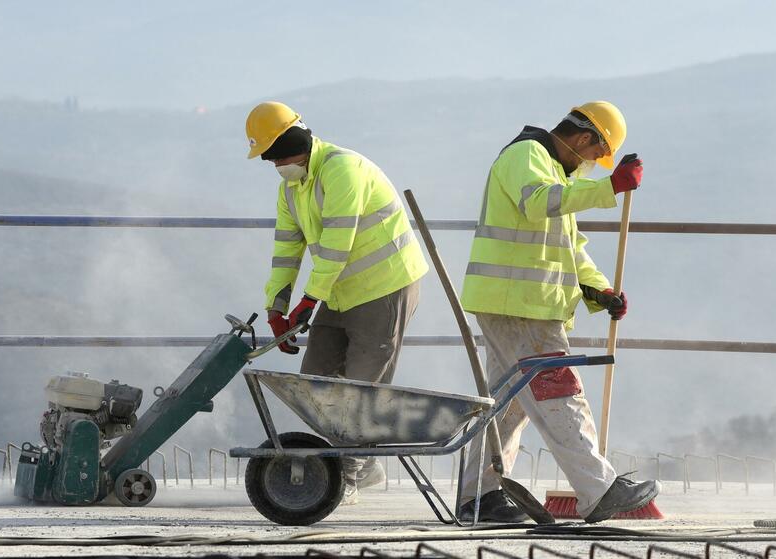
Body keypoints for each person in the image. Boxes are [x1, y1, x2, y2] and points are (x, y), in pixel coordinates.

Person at [457, 101, 659, 523]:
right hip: (521, 306)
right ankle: (598, 490)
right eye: (595, 155)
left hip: (517, 303)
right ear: (583, 139)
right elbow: (539, 203)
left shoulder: (553, 170)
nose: (591, 165)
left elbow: (568, 249)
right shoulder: (526, 155)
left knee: (507, 405)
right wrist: (609, 188)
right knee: (560, 393)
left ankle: (479, 497)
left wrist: (599, 289)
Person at [245, 101, 429, 505]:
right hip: (339, 290)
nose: (274, 165)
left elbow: (336, 246)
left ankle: (348, 474)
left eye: (275, 155)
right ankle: (365, 463)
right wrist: (277, 306)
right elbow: (286, 250)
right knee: (317, 380)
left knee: (363, 387)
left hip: (385, 287)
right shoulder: (291, 189)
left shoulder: (343, 169)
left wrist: (309, 301)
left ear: (292, 142)